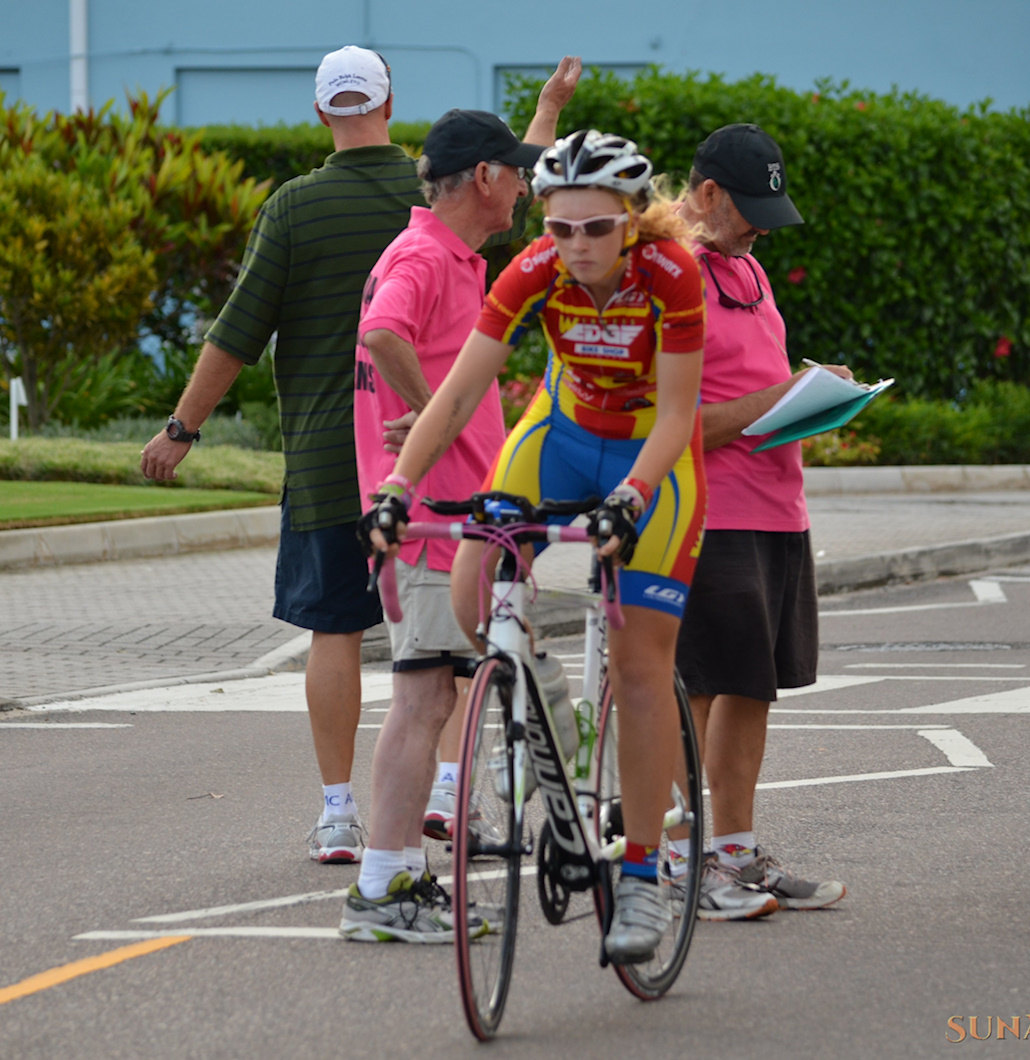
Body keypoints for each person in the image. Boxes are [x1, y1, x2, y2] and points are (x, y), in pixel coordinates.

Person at [139, 48, 579, 865]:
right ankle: (443, 802)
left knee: (336, 630)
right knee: (440, 655)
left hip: (329, 459)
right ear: (391, 105)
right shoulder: (425, 212)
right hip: (428, 471)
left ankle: (340, 813)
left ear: (319, 115)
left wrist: (182, 428)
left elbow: (237, 334)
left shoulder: (296, 207)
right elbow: (514, 187)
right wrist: (430, 412)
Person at [362, 129, 707, 963]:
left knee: (640, 666)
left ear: (631, 222)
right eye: (559, 228)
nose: (576, 246)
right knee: (470, 592)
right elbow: (455, 394)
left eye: (596, 229)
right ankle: (546, 699)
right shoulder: (533, 274)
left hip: (650, 455)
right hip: (558, 433)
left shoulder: (672, 275)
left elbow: (676, 416)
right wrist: (397, 490)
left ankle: (641, 874)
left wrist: (630, 496)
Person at [338, 108, 554, 941]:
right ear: (486, 179)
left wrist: (551, 108)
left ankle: (395, 879)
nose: (526, 188)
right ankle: (383, 888)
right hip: (430, 519)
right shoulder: (426, 254)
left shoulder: (451, 252)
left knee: (433, 694)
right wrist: (439, 417)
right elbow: (382, 329)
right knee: (424, 697)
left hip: (454, 517)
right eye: (517, 172)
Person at [671, 124, 846, 917]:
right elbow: (674, 424)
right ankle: (684, 857)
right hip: (710, 513)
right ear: (706, 194)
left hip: (778, 508)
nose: (760, 227)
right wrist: (784, 397)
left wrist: (817, 390)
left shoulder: (747, 269)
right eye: (750, 209)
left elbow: (752, 382)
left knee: (754, 686)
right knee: (701, 685)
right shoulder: (673, 275)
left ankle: (734, 852)